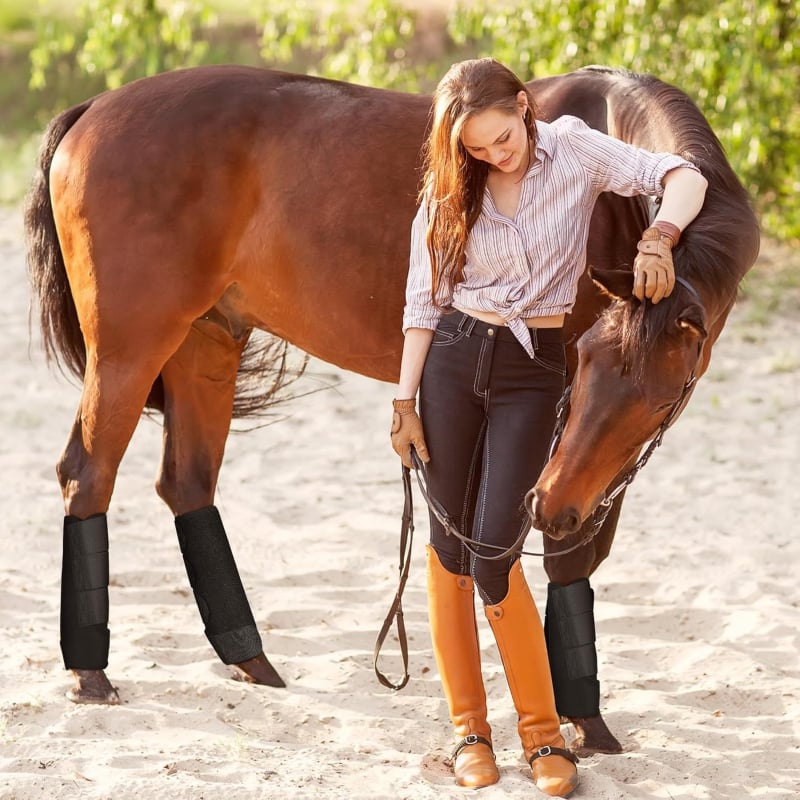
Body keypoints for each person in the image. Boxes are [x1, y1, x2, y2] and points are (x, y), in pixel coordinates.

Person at [390, 58, 707, 796]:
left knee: (497, 549)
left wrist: (659, 237)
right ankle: (470, 730)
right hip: (450, 362)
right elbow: (420, 305)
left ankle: (541, 735)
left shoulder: (573, 147)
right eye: (476, 149)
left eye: (502, 138)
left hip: (532, 372)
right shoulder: (450, 188)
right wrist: (402, 405)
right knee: (448, 547)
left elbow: (681, 174)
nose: (494, 156)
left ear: (524, 107)